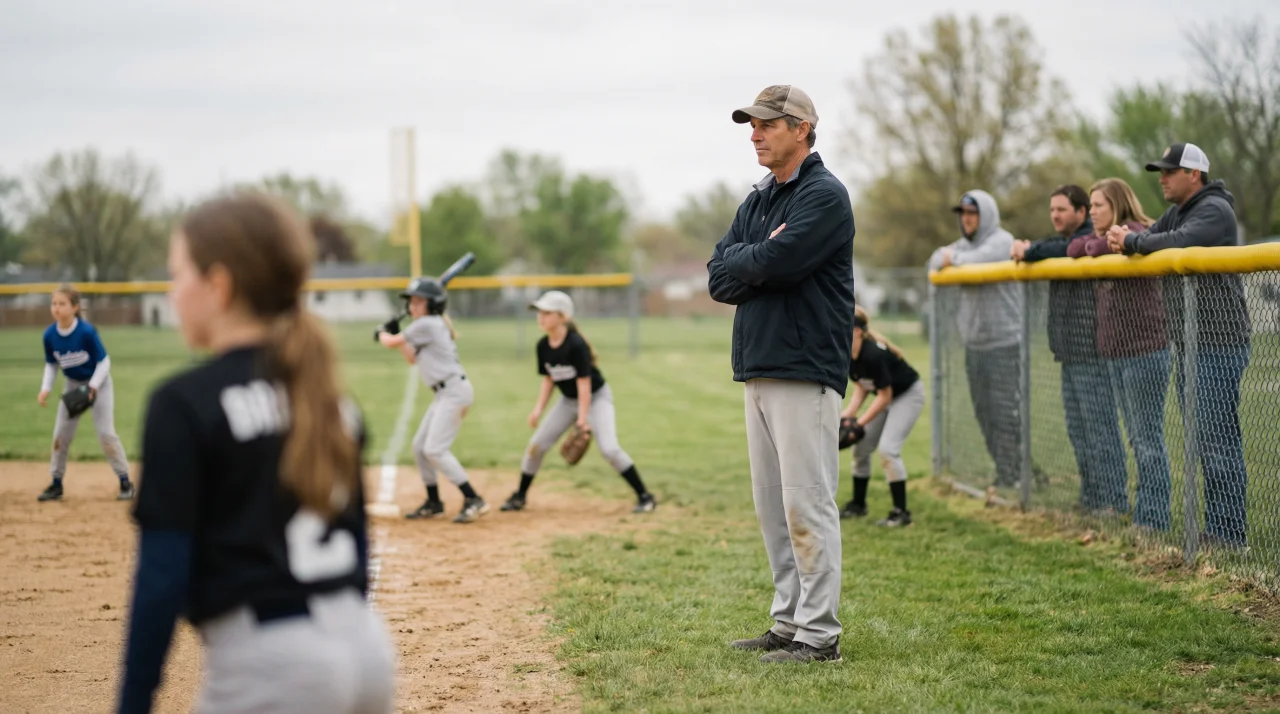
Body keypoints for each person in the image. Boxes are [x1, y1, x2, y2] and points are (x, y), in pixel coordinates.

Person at [118, 193, 395, 714]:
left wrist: (133, 702)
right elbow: (358, 546)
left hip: (272, 666)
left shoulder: (184, 402)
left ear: (219, 285)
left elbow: (162, 578)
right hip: (366, 649)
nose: (173, 293)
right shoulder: (329, 399)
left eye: (178, 275)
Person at [709, 85, 854, 664]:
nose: (755, 134)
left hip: (804, 367)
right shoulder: (760, 197)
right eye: (752, 125)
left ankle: (819, 636)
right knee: (773, 508)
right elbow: (719, 277)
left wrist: (755, 260)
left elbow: (779, 261)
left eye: (767, 124)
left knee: (807, 505)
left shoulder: (824, 195)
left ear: (801, 129)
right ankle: (788, 621)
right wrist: (754, 259)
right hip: (761, 366)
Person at [1106, 142, 1251, 548]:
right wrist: (1128, 239)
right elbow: (1153, 236)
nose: (1163, 179)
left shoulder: (1214, 208)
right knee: (1204, 441)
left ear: (1194, 174)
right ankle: (1219, 530)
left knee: (1217, 442)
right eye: (1161, 172)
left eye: (1170, 172)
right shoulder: (1179, 210)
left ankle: (1228, 534)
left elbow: (1178, 241)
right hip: (1191, 343)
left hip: (1219, 343)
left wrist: (1130, 241)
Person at [1014, 185, 1128, 514]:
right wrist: (1031, 249)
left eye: (1062, 209)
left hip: (1092, 352)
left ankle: (1114, 502)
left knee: (1100, 431)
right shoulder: (1061, 243)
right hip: (1069, 353)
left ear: (1080, 211)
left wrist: (1030, 248)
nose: (1055, 215)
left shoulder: (1086, 240)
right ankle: (1092, 499)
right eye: (1052, 209)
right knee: (1079, 432)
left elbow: (1064, 247)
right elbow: (1056, 245)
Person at [1069, 177, 1172, 531]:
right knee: (1136, 438)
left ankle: (1153, 518)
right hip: (1115, 353)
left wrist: (1101, 243)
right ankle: (1143, 513)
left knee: (1147, 440)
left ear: (1118, 204)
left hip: (1144, 352)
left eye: (1099, 205)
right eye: (1091, 205)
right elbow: (1076, 248)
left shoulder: (1137, 232)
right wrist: (1095, 243)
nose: (1093, 211)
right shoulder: (1105, 237)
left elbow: (1100, 245)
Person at [501, 290, 657, 514]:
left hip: (596, 398)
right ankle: (520, 496)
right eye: (539, 313)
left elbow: (584, 384)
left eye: (547, 313)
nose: (541, 317)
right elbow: (549, 379)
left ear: (563, 316)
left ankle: (645, 497)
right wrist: (537, 410)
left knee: (610, 449)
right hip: (568, 401)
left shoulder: (575, 344)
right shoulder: (543, 346)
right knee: (536, 445)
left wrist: (582, 420)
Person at [928, 190, 1025, 489]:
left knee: (1004, 412)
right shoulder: (963, 245)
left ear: (986, 215)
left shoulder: (1002, 240)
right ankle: (1008, 470)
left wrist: (952, 259)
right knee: (984, 412)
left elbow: (979, 261)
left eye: (972, 213)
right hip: (975, 345)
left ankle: (1014, 474)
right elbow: (933, 261)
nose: (966, 219)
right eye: (963, 214)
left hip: (1004, 343)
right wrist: (951, 257)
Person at [376, 277, 487, 524]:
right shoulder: (427, 325)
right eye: (411, 302)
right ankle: (434, 502)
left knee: (435, 449)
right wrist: (395, 334)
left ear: (433, 304)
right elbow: (411, 358)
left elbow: (390, 343)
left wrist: (384, 332)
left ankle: (473, 498)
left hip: (454, 392)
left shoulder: (427, 324)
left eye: (418, 302)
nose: (412, 307)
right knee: (420, 448)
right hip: (444, 393)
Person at [34, 284, 135, 502]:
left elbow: (104, 362)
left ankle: (125, 482)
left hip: (99, 385)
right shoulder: (49, 335)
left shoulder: (86, 332)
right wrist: (45, 388)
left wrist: (93, 387)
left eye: (62, 304)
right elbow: (51, 364)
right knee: (60, 436)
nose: (56, 308)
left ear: (75, 307)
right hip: (73, 385)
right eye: (54, 303)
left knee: (106, 434)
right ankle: (56, 484)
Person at [839, 306, 924, 527]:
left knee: (888, 450)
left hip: (907, 395)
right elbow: (862, 385)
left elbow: (885, 396)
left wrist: (859, 423)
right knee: (861, 448)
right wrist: (849, 413)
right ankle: (858, 505)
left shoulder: (873, 355)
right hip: (884, 396)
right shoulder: (848, 353)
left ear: (858, 331)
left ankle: (901, 513)